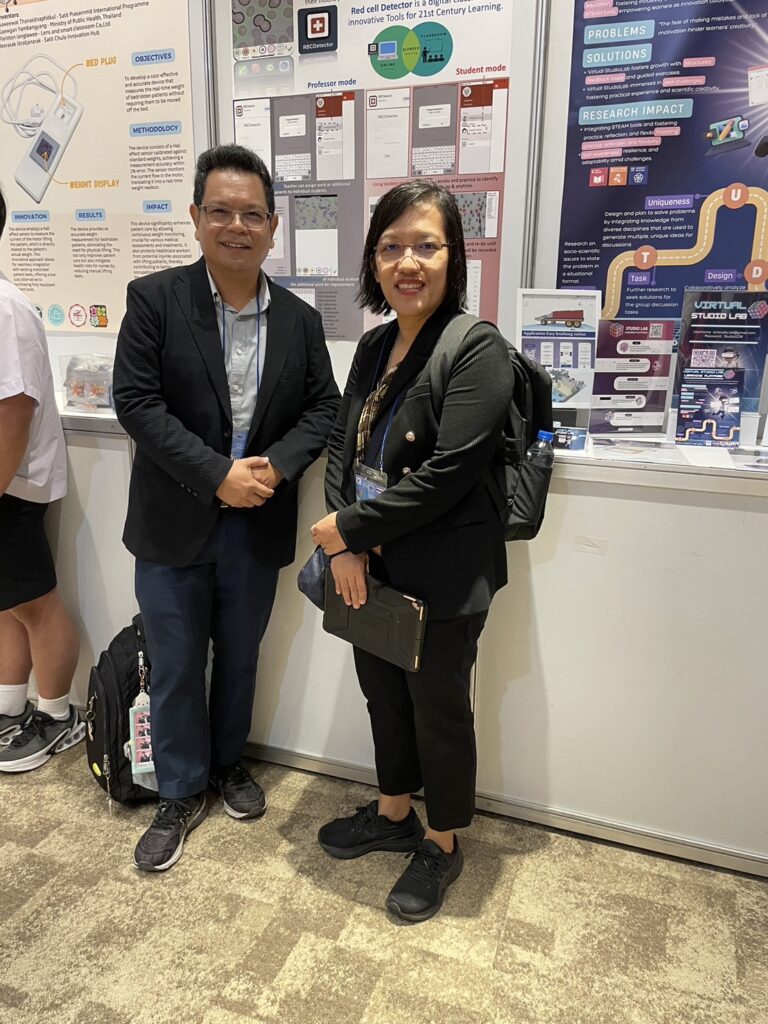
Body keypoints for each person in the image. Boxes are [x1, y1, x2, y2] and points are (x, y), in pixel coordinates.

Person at [113, 145, 340, 873]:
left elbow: (325, 409)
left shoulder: (301, 321)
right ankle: (180, 790)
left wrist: (274, 467)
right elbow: (136, 403)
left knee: (240, 658)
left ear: (273, 226)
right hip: (173, 519)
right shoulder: (155, 300)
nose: (236, 226)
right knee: (177, 663)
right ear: (196, 217)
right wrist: (216, 475)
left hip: (258, 520)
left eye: (251, 214)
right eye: (220, 211)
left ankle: (225, 763)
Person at [311, 181, 514, 923]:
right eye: (392, 246)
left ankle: (442, 840)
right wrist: (346, 545)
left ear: (453, 257)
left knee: (439, 711)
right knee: (383, 696)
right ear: (374, 259)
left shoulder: (476, 348)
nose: (408, 262)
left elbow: (448, 475)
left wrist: (349, 532)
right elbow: (343, 446)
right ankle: (394, 811)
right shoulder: (374, 344)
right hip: (371, 566)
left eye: (426, 245)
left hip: (445, 573)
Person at [0, 183, 83, 773]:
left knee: (34, 602)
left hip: (12, 485)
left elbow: (14, 411)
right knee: (6, 603)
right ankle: (10, 704)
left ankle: (57, 715)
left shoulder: (6, 310)